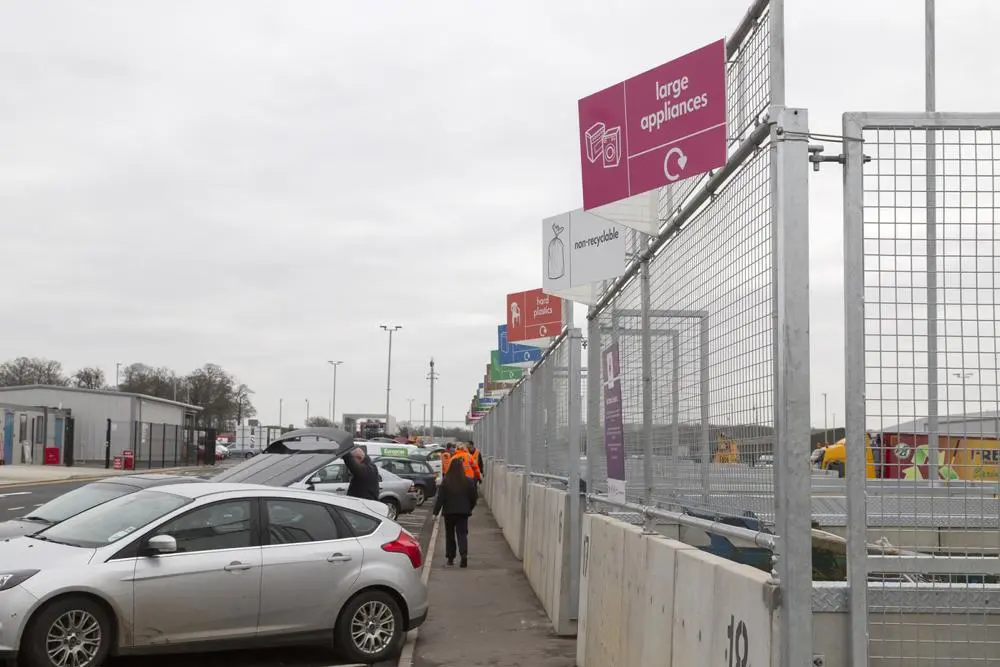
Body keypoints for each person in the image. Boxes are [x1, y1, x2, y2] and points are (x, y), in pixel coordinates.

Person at [433, 458, 478, 567]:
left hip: (449, 512)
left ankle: (450, 558)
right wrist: (469, 508)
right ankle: (463, 556)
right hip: (463, 512)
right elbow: (474, 497)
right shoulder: (468, 481)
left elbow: (441, 498)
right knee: (462, 534)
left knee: (450, 535)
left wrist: (435, 512)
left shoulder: (446, 481)